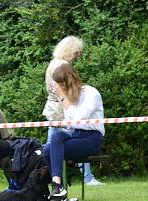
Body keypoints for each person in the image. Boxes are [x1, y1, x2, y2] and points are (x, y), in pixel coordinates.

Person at [42, 36, 104, 187]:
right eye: (77, 53)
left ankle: (58, 186)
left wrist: (63, 98)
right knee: (53, 143)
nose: (78, 56)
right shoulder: (62, 66)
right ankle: (61, 184)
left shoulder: (90, 93)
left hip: (88, 134)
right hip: (62, 114)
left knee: (53, 145)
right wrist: (63, 97)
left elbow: (78, 119)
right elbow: (72, 121)